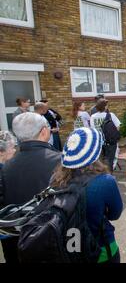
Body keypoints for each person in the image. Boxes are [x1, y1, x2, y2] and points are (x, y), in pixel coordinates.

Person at [51, 127, 123, 263]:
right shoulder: (105, 181)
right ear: (95, 152)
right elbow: (115, 214)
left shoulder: (55, 179)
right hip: (102, 248)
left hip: (72, 247)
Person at [0, 112, 60, 263]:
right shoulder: (60, 161)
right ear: (44, 131)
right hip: (50, 240)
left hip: (16, 243)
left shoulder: (5, 166)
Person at [90, 99, 121, 172]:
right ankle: (109, 177)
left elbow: (92, 129)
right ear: (105, 107)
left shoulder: (93, 117)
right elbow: (118, 126)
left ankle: (102, 176)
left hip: (98, 142)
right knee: (110, 160)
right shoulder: (110, 115)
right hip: (110, 142)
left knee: (100, 161)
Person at [0, 131, 17, 251]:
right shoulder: (4, 172)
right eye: (12, 147)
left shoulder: (6, 168)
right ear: (1, 152)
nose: (14, 150)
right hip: (6, 226)